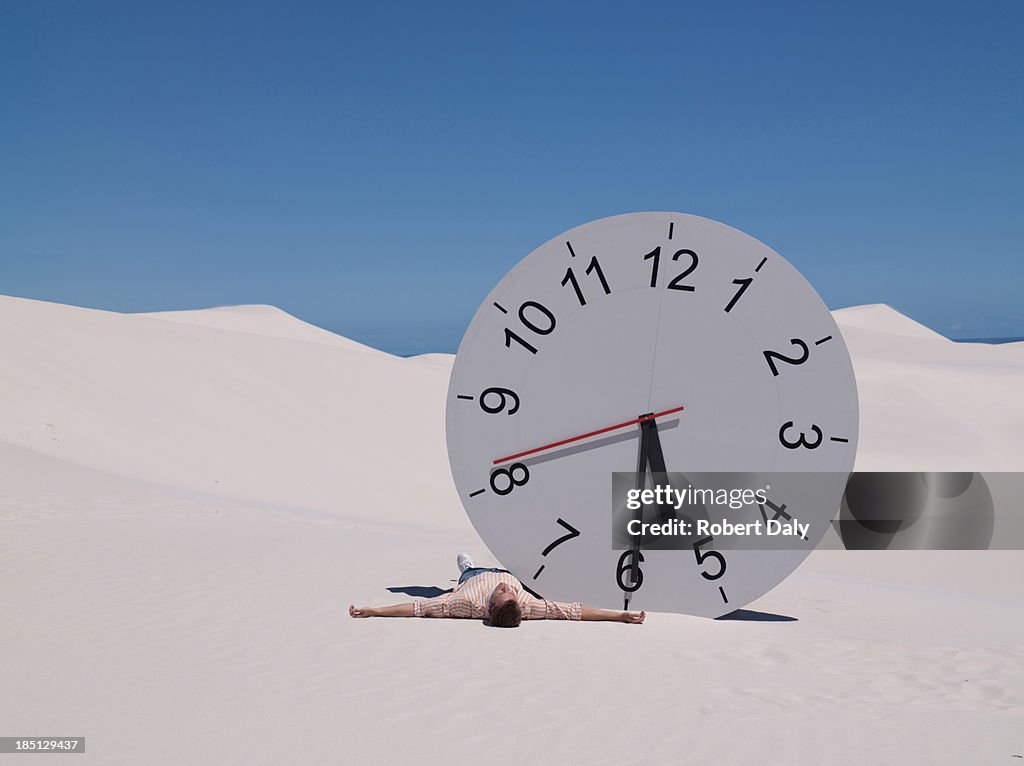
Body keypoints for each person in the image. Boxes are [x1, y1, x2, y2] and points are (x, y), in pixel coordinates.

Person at [348, 553, 646, 627]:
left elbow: (415, 608)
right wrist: (619, 616)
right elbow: (575, 612)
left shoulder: (463, 604)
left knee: (466, 570)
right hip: (512, 571)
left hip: (475, 577)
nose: (505, 590)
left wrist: (374, 610)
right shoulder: (527, 606)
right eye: (509, 593)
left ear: (488, 609)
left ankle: (465, 564)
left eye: (502, 592)